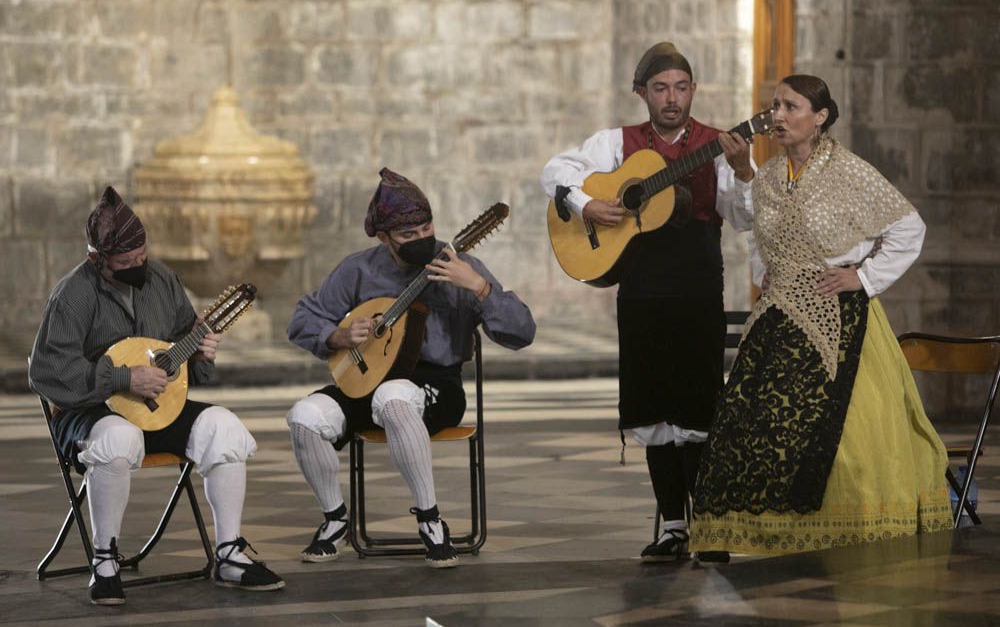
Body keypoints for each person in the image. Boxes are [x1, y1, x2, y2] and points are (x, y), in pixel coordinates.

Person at [690, 74, 952, 557]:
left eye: (791, 106)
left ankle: (844, 536)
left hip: (839, 316)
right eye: (775, 106)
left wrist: (864, 279)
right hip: (778, 315)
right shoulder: (770, 175)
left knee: (844, 439)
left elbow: (909, 228)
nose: (778, 116)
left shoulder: (849, 172)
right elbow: (757, 229)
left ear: (820, 117)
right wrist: (745, 177)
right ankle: (756, 536)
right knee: (751, 423)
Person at [539, 42, 756, 562]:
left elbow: (746, 218)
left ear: (693, 91)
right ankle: (673, 527)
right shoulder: (617, 143)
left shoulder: (717, 145)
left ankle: (710, 526)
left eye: (681, 87)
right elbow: (554, 171)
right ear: (643, 93)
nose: (672, 98)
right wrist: (587, 202)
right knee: (654, 403)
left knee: (699, 404)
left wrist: (746, 170)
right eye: (661, 88)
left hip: (697, 286)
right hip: (641, 290)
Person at [28, 187, 284, 606]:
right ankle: (105, 561)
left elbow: (183, 352)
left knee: (225, 427)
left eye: (142, 255)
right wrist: (122, 378)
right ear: (98, 259)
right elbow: (47, 371)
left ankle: (230, 554)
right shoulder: (72, 295)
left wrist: (200, 353)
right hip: (90, 412)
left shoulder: (162, 279)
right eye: (126, 263)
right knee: (117, 439)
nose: (138, 266)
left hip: (158, 408)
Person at [286, 168, 535, 568]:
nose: (421, 239)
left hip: (438, 387)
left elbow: (522, 333)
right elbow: (302, 320)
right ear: (384, 238)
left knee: (394, 397)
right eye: (408, 235)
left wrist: (479, 288)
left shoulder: (463, 265)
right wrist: (339, 336)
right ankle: (335, 520)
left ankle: (430, 519)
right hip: (365, 380)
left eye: (426, 228)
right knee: (303, 417)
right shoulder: (359, 269)